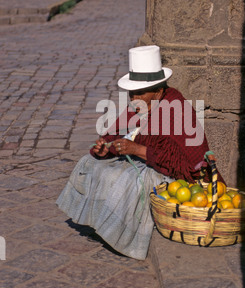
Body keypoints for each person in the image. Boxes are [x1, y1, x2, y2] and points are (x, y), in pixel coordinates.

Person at [56, 45, 224, 260]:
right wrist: (104, 148)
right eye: (131, 93)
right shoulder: (140, 104)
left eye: (140, 93)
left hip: (170, 175)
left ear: (159, 91)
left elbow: (185, 165)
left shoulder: (176, 107)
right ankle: (99, 221)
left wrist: (138, 149)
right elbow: (116, 133)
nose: (134, 98)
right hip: (140, 159)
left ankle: (120, 233)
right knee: (88, 163)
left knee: (125, 179)